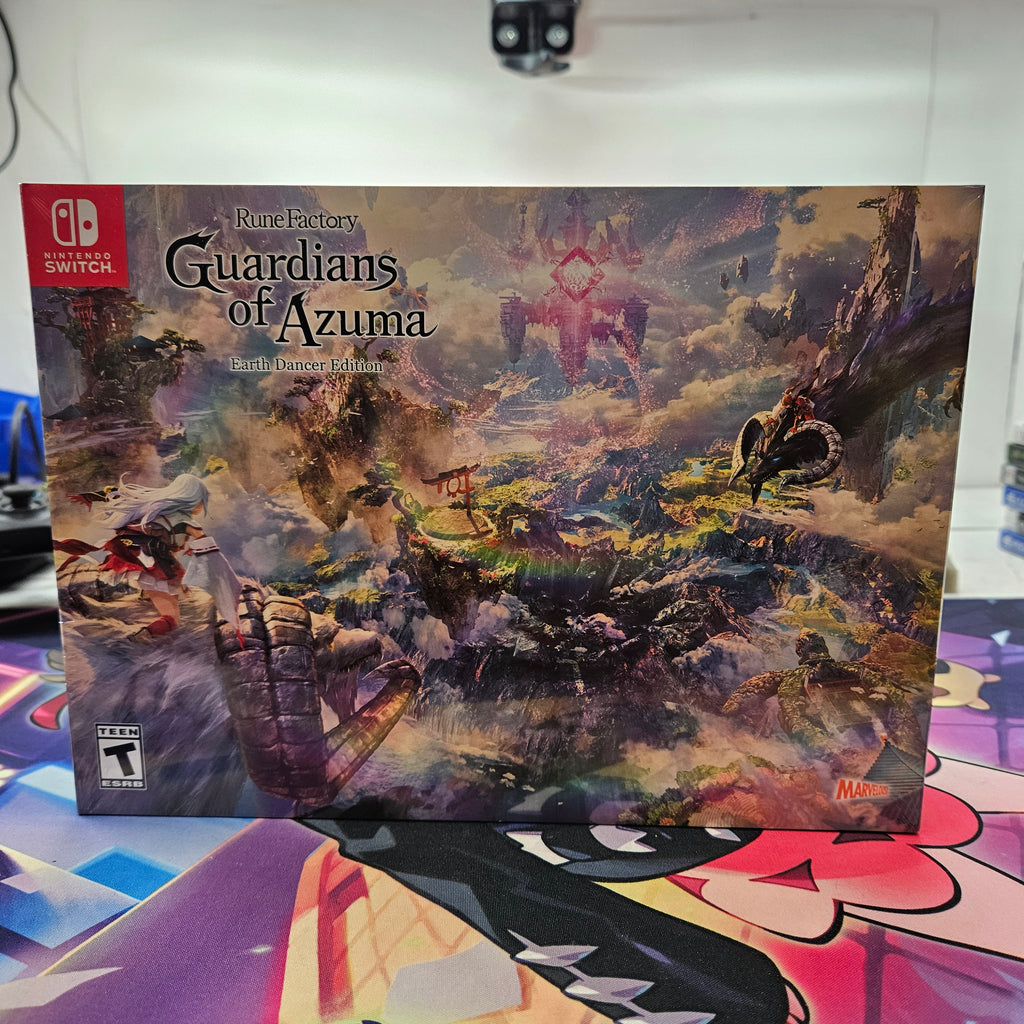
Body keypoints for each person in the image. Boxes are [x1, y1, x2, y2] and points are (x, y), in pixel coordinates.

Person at [57, 473, 240, 641]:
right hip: (156, 568)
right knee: (172, 619)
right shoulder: (187, 523)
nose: (201, 506)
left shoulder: (154, 509)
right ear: (192, 498)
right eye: (201, 500)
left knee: (163, 587)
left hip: (141, 562)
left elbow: (115, 493)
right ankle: (139, 638)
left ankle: (147, 596)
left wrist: (89, 497)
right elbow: (209, 553)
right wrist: (225, 581)